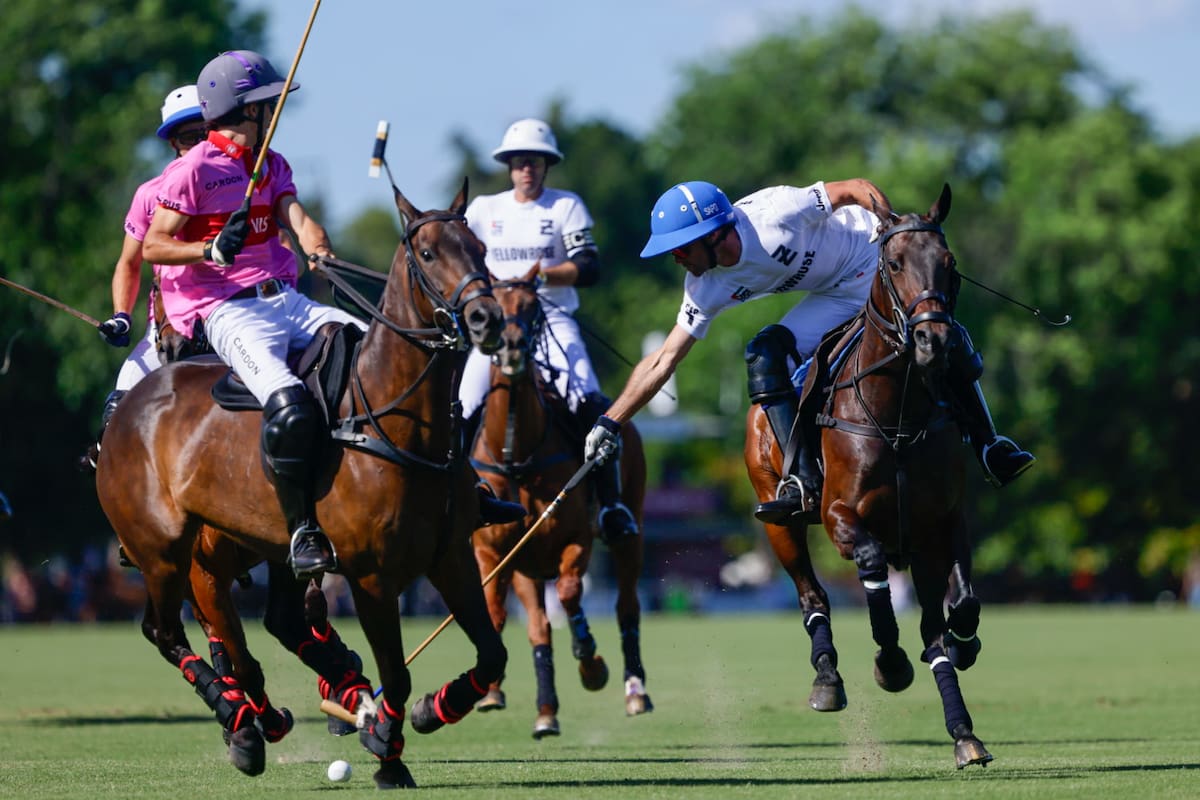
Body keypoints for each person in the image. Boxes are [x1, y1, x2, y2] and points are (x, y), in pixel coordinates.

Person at [584, 180, 1035, 525]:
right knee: (765, 352)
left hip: (874, 267)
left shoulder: (775, 212)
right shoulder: (706, 284)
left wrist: (890, 227)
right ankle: (799, 480)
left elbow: (853, 188)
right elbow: (664, 359)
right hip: (834, 297)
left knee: (939, 333)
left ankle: (989, 443)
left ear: (714, 235)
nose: (675, 259)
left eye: (680, 248)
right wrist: (611, 422)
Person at [459, 118, 637, 541]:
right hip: (498, 325)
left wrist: (543, 277)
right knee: (463, 403)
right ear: (508, 165)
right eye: (520, 162)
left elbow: (589, 266)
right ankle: (458, 497)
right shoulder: (484, 209)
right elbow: (462, 261)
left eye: (536, 162)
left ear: (547, 166)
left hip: (551, 319)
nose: (528, 169)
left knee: (589, 399)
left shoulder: (565, 206)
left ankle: (610, 505)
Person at [81, 85, 209, 470]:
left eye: (207, 134)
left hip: (228, 320)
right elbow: (129, 263)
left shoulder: (240, 186)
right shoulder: (150, 195)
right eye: (190, 138)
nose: (200, 145)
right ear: (173, 143)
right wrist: (122, 313)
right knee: (115, 414)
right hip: (167, 331)